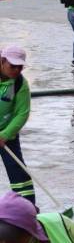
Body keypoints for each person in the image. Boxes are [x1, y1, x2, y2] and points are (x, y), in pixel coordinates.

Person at [0, 46, 34, 203]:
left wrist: (5, 135)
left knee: (19, 175)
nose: (16, 70)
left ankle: (27, 209)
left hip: (7, 134)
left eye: (20, 67)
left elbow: (22, 113)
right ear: (2, 61)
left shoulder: (20, 84)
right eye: (12, 66)